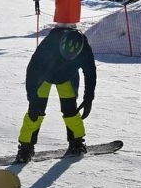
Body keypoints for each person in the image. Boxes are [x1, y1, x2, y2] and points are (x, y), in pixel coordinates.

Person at [15, 26, 97, 163]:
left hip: (67, 77)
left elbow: (90, 74)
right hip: (44, 77)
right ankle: (25, 147)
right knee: (35, 113)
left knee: (71, 111)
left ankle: (76, 142)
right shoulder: (48, 46)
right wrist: (33, 100)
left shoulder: (85, 51)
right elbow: (32, 73)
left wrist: (88, 98)